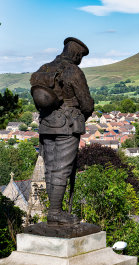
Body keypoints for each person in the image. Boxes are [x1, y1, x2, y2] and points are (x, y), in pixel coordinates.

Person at [30, 37, 94, 225]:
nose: (80, 59)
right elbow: (86, 103)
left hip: (46, 124)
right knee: (62, 169)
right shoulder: (73, 71)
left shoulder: (45, 68)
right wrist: (84, 113)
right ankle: (56, 212)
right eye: (81, 56)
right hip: (68, 124)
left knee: (50, 169)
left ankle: (53, 210)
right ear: (76, 54)